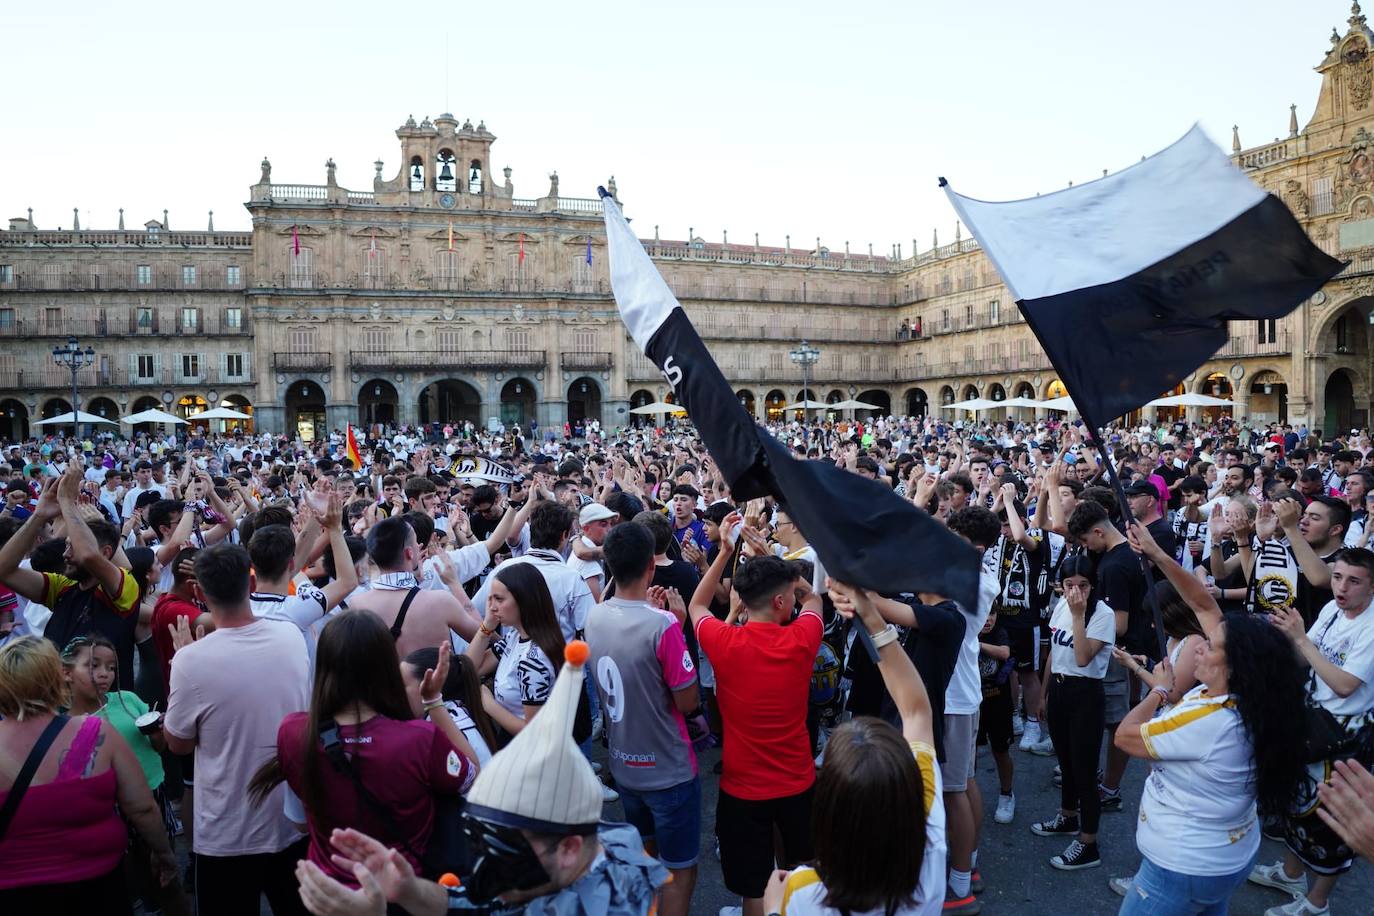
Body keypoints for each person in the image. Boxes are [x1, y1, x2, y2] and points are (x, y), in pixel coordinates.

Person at [291, 642, 668, 915]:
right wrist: (407, 890)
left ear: (569, 849)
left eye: (503, 851)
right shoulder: (548, 867)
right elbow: (476, 903)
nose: (486, 871)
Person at [1115, 521, 1307, 916]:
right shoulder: (1251, 696)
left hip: (1180, 869)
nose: (1199, 649)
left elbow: (1125, 737)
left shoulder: (1212, 721)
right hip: (1223, 856)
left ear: (1236, 665)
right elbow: (1203, 604)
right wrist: (1156, 554)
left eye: (1211, 648)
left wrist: (1158, 691)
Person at [248, 611, 477, 885]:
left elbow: (299, 821)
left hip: (330, 892)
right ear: (387, 667)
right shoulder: (420, 739)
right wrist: (434, 702)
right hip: (404, 892)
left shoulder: (293, 732)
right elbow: (470, 777)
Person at [765, 578, 945, 916]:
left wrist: (774, 908)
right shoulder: (930, 844)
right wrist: (872, 615)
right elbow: (917, 709)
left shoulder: (805, 891)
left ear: (831, 810)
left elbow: (914, 710)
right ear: (907, 790)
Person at [162, 543, 312, 916]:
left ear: (199, 591)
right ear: (249, 581)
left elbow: (178, 744)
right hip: (293, 816)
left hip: (229, 830)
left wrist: (182, 660)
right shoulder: (291, 635)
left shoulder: (191, 660)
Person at [689, 526, 822, 916]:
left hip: (742, 788)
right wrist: (777, 562)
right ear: (782, 601)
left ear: (742, 601)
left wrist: (723, 552)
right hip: (798, 780)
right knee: (803, 875)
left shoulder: (723, 640)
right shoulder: (803, 637)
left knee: (755, 889)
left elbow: (698, 606)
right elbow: (813, 597)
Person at [0, 636, 177, 913]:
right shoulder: (93, 732)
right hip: (95, 883)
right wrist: (165, 853)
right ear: (59, 675)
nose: (105, 674)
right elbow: (142, 808)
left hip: (13, 891)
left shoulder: (120, 706)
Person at [1250, 547, 1374, 916]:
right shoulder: (1334, 609)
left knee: (1331, 820)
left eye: (1354, 581)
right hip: (1314, 721)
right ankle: (1290, 874)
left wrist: (1301, 638)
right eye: (1337, 577)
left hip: (1346, 738)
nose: (1342, 587)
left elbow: (1345, 684)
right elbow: (1308, 657)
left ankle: (1318, 903)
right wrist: (1284, 639)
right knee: (1298, 802)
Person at [586, 521, 701, 916]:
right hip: (667, 769)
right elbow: (687, 702)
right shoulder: (663, 624)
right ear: (651, 567)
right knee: (679, 867)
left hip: (624, 765)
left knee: (644, 855)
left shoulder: (595, 616)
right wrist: (678, 626)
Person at [0, 471, 141, 689]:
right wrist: (39, 515)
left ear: (104, 553)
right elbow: (4, 570)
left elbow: (87, 555)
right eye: (66, 545)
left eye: (71, 546)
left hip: (105, 711)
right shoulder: (64, 587)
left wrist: (67, 504)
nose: (65, 555)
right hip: (60, 705)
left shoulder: (124, 588)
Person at [1029, 555, 1115, 871]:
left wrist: (1079, 616)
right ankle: (1067, 816)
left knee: (1084, 770)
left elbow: (1082, 658)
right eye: (1068, 585)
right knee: (1065, 763)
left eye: (1083, 585)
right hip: (1062, 691)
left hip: (1086, 693)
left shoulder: (1102, 615)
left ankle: (1089, 842)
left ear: (1094, 585)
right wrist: (1044, 693)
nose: (1075, 591)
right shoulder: (1063, 605)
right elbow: (1055, 649)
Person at [465, 562, 591, 746]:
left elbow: (534, 732)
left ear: (524, 600)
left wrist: (488, 704)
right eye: (490, 599)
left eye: (499, 599)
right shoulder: (516, 636)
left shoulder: (533, 661)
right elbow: (472, 667)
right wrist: (487, 625)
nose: (491, 607)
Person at [402, 646, 496, 768]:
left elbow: (469, 776)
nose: (396, 691)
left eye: (402, 684)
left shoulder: (451, 726)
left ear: (430, 685)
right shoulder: (448, 714)